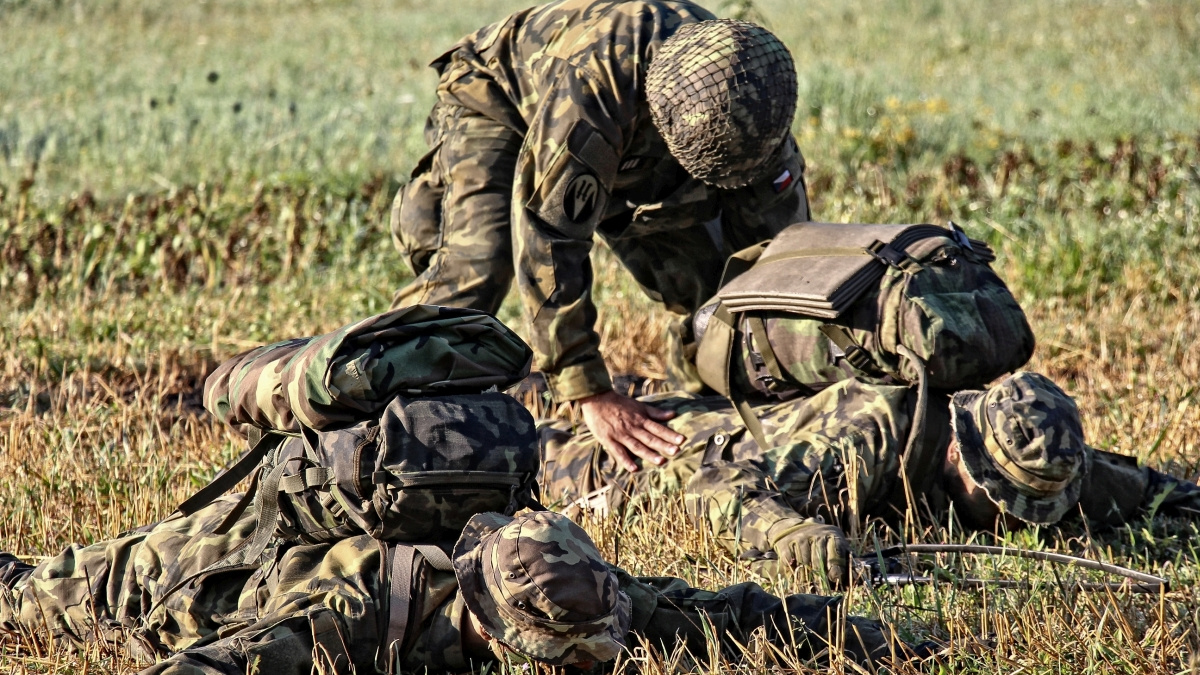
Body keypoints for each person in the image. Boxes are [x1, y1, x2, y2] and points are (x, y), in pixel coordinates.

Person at [389, 0, 811, 475]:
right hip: (497, 100)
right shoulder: (593, 88)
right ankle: (376, 423)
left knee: (712, 289)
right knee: (474, 273)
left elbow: (783, 253)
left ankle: (699, 429)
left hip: (660, 121)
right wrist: (588, 390)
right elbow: (548, 233)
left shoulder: (749, 97)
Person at [0, 504, 910, 674]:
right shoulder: (346, 619)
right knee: (35, 593)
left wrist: (883, 635)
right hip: (207, 578)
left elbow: (728, 617)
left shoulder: (583, 588)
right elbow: (215, 663)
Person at [540, 372, 1200, 582]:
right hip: (649, 462)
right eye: (1004, 502)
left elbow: (1145, 490)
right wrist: (796, 534)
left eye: (1032, 507)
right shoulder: (864, 439)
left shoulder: (1036, 452)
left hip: (737, 425)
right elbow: (718, 488)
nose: (1017, 519)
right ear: (958, 454)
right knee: (515, 445)